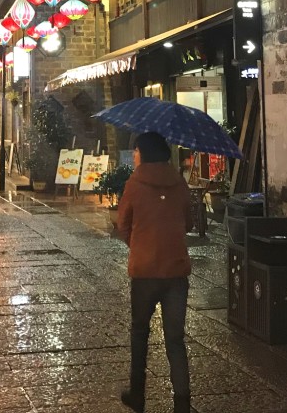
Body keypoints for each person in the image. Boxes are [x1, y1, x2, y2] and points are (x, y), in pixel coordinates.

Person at [116, 132, 193, 413]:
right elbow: (189, 222)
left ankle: (138, 395)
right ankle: (182, 403)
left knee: (139, 332)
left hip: (145, 271)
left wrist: (139, 245)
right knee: (175, 339)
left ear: (143, 153)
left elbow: (122, 224)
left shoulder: (134, 184)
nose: (133, 155)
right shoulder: (179, 181)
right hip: (176, 272)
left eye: (135, 150)